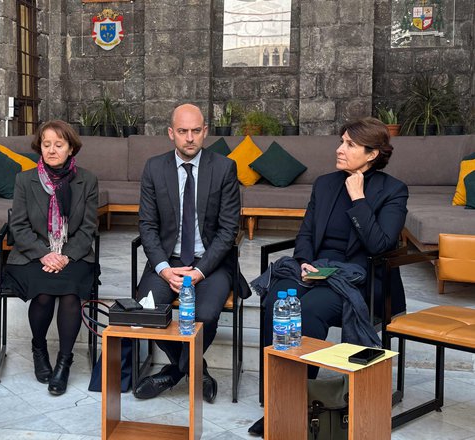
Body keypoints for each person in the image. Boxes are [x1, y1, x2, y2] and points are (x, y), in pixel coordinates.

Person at [248, 117, 408, 436]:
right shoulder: (324, 184)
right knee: (277, 301)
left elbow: (380, 244)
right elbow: (305, 232)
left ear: (373, 153)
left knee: (308, 312)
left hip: (362, 277)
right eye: (341, 141)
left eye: (349, 144)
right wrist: (304, 261)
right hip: (316, 268)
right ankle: (278, 399)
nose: (339, 149)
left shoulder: (393, 191)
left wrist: (359, 198)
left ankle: (298, 404)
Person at [134, 103, 241, 403]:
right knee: (146, 312)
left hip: (211, 262)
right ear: (171, 133)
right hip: (169, 261)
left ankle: (173, 373)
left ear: (205, 131)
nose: (190, 138)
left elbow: (227, 230)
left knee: (205, 314)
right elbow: (147, 226)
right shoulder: (154, 168)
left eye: (196, 131)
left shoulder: (223, 168)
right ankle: (196, 369)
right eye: (183, 131)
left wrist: (199, 271)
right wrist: (164, 269)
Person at [4, 120, 98, 396]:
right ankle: (39, 349)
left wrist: (65, 255)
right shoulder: (25, 179)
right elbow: (18, 226)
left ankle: (64, 363)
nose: (52, 150)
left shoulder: (87, 180)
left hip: (74, 253)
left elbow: (88, 227)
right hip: (32, 254)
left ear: (71, 149)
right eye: (47, 145)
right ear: (39, 147)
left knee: (69, 295)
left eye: (59, 145)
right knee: (44, 293)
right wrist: (45, 254)